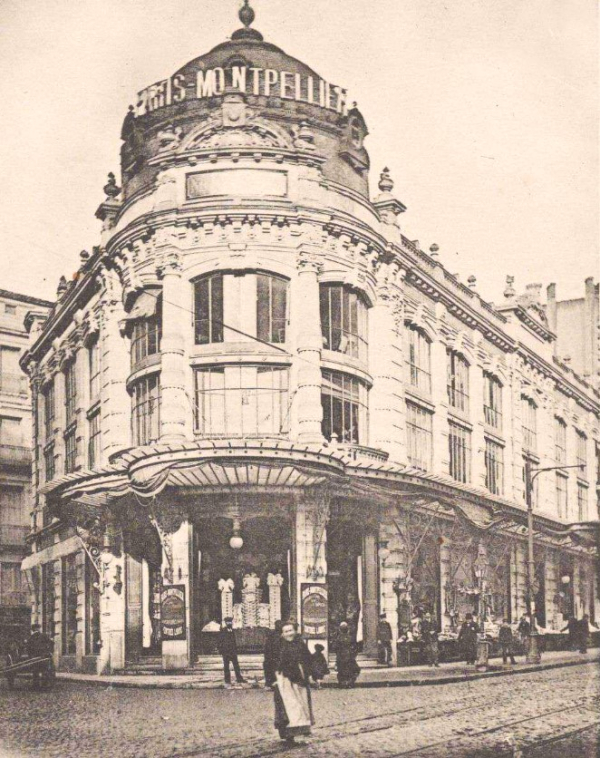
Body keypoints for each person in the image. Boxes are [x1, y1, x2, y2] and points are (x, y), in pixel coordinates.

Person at [273, 621, 314, 744]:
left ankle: (301, 729)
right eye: (286, 631)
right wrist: (272, 679)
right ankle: (286, 733)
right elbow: (271, 662)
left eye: (291, 630)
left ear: (295, 631)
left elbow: (307, 660)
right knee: (285, 707)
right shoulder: (278, 646)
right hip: (283, 679)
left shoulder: (300, 645)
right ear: (282, 634)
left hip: (298, 678)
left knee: (300, 704)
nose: (289, 634)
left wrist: (308, 674)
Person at [217, 617, 246, 688]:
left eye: (230, 622)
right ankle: (227, 680)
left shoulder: (232, 631)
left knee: (236, 665)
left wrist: (235, 649)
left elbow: (234, 641)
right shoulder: (223, 631)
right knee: (226, 666)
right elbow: (219, 641)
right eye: (228, 622)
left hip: (233, 651)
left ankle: (239, 678)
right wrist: (221, 650)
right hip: (226, 652)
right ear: (226, 623)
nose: (230, 624)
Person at [26, 624, 54, 690]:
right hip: (44, 656)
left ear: (32, 630)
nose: (38, 629)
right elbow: (51, 643)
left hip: (35, 657)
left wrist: (30, 657)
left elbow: (28, 649)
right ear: (38, 629)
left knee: (35, 671)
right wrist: (50, 652)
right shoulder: (44, 635)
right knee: (45, 670)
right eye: (38, 628)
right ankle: (44, 685)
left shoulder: (30, 637)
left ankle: (36, 685)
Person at [336, 621, 360, 687]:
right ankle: (350, 683)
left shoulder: (338, 638)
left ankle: (342, 683)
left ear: (340, 629)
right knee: (352, 670)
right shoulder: (350, 638)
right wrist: (353, 655)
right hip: (349, 657)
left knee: (341, 671)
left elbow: (336, 648)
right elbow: (355, 648)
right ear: (347, 629)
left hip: (341, 657)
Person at [263, 620, 283, 688]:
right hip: (274, 656)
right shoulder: (279, 635)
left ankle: (269, 684)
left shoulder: (272, 634)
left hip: (270, 657)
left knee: (270, 671)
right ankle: (272, 684)